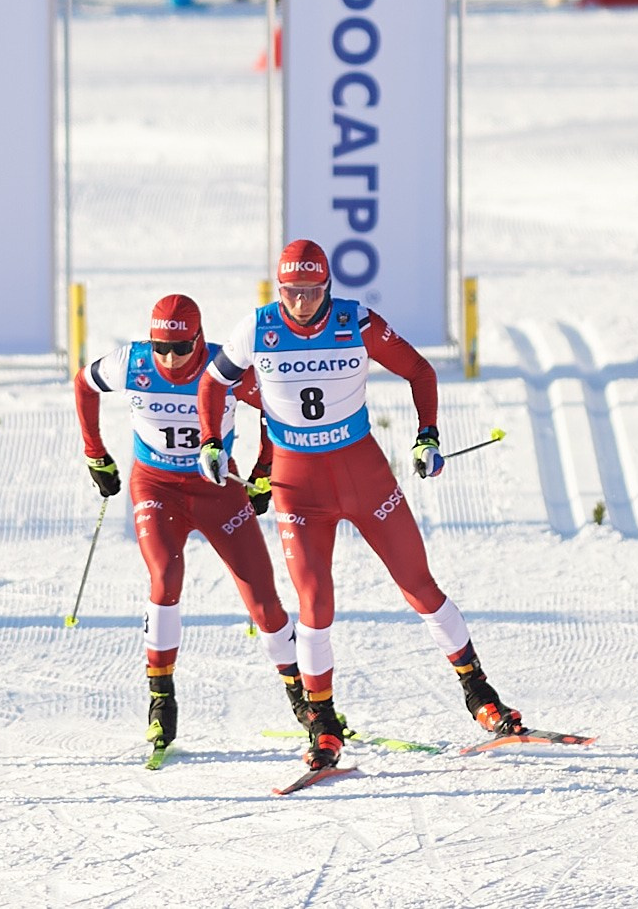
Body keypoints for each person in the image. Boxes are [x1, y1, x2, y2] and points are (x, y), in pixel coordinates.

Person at [197, 240, 534, 772]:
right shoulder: (256, 327)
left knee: (418, 583)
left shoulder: (356, 321)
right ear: (277, 289)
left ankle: (482, 699)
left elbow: (420, 371)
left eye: (311, 292)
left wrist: (427, 436)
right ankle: (324, 726)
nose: (301, 304)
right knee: (314, 603)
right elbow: (212, 383)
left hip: (363, 471)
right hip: (297, 484)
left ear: (327, 288)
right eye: (291, 292)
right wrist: (211, 443)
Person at [75, 293, 307, 758]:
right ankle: (161, 698)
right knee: (165, 576)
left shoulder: (223, 368)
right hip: (156, 487)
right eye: (161, 346)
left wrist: (264, 469)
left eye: (181, 348)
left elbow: (273, 408)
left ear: (200, 340)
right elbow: (83, 384)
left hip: (216, 490)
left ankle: (307, 701)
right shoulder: (131, 363)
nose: (170, 358)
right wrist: (95, 453)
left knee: (262, 597)